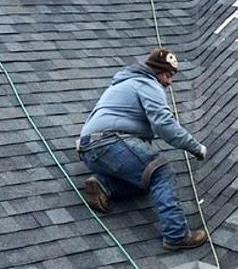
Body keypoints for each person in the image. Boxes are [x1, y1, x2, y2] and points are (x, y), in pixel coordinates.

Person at [78, 49, 209, 251]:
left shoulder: (124, 83)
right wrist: (195, 147)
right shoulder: (148, 83)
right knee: (160, 172)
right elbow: (163, 124)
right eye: (168, 75)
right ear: (157, 72)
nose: (169, 82)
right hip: (111, 141)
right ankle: (176, 235)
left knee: (145, 180)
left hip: (89, 149)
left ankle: (104, 185)